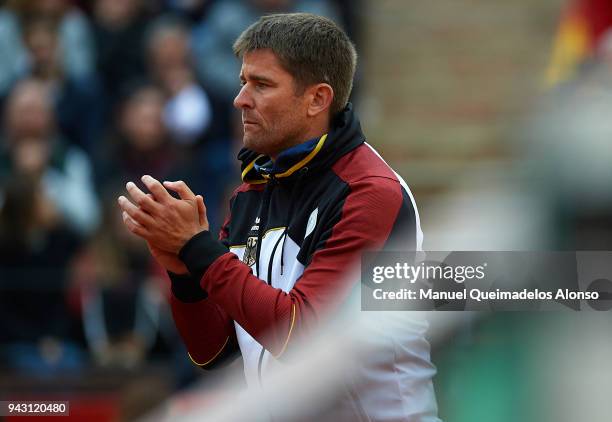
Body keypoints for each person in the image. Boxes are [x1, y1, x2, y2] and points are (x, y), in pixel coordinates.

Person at [118, 13, 439, 421]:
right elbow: (214, 351)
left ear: (317, 99)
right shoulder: (252, 191)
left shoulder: (370, 192)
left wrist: (198, 248)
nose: (240, 99)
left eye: (262, 85)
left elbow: (300, 335)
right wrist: (183, 271)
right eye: (242, 82)